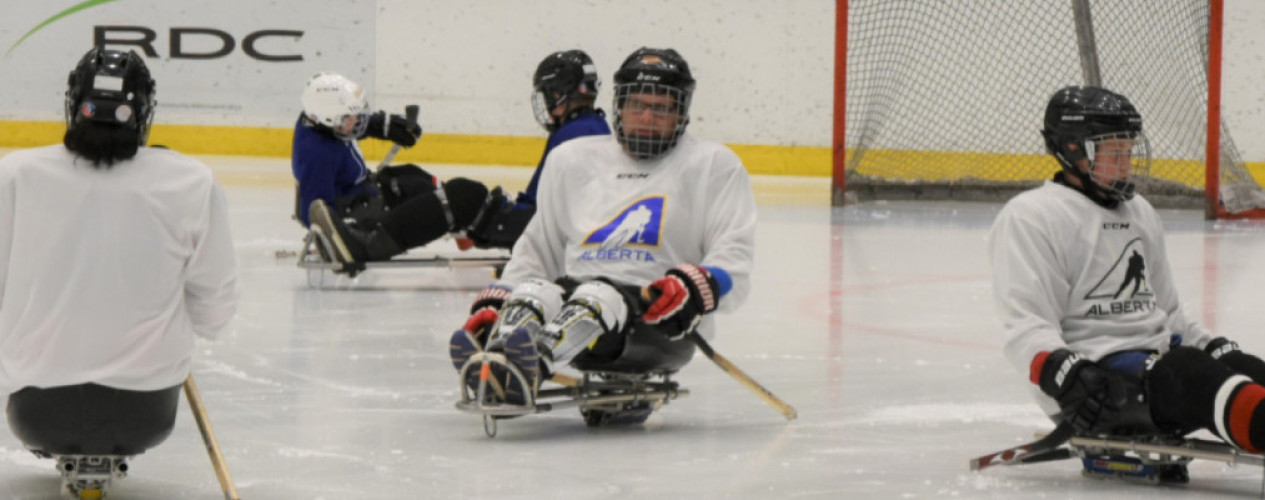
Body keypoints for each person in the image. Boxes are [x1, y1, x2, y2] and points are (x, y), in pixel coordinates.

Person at [448, 47, 756, 411]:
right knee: (536, 293)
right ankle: (499, 357)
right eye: (635, 103)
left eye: (661, 108)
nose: (645, 116)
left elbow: (734, 259)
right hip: (577, 303)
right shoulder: (572, 159)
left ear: (681, 112)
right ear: (617, 105)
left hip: (661, 321)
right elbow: (538, 250)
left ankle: (532, 365)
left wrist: (698, 286)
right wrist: (504, 294)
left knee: (597, 295)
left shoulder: (713, 165)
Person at [989, 85, 1265, 481]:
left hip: (1156, 367)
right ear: (1072, 149)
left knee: (1236, 364)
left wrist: (1209, 344)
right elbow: (1024, 326)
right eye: (1111, 152)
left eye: (1127, 150)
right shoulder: (1032, 216)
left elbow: (1167, 313)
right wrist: (1067, 377)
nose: (1124, 162)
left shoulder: (1140, 211)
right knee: (1190, 372)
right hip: (1095, 387)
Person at [0, 47, 238, 491]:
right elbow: (216, 304)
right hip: (146, 411)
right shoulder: (191, 182)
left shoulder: (14, 175)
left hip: (37, 408)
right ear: (144, 113)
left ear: (73, 107)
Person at [307, 51, 611, 269]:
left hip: (543, 229)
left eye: (548, 95)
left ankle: (365, 245)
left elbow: (553, 208)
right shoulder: (591, 126)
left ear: (560, 95)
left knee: (464, 196)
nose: (545, 103)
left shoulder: (575, 135)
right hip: (550, 226)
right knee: (459, 192)